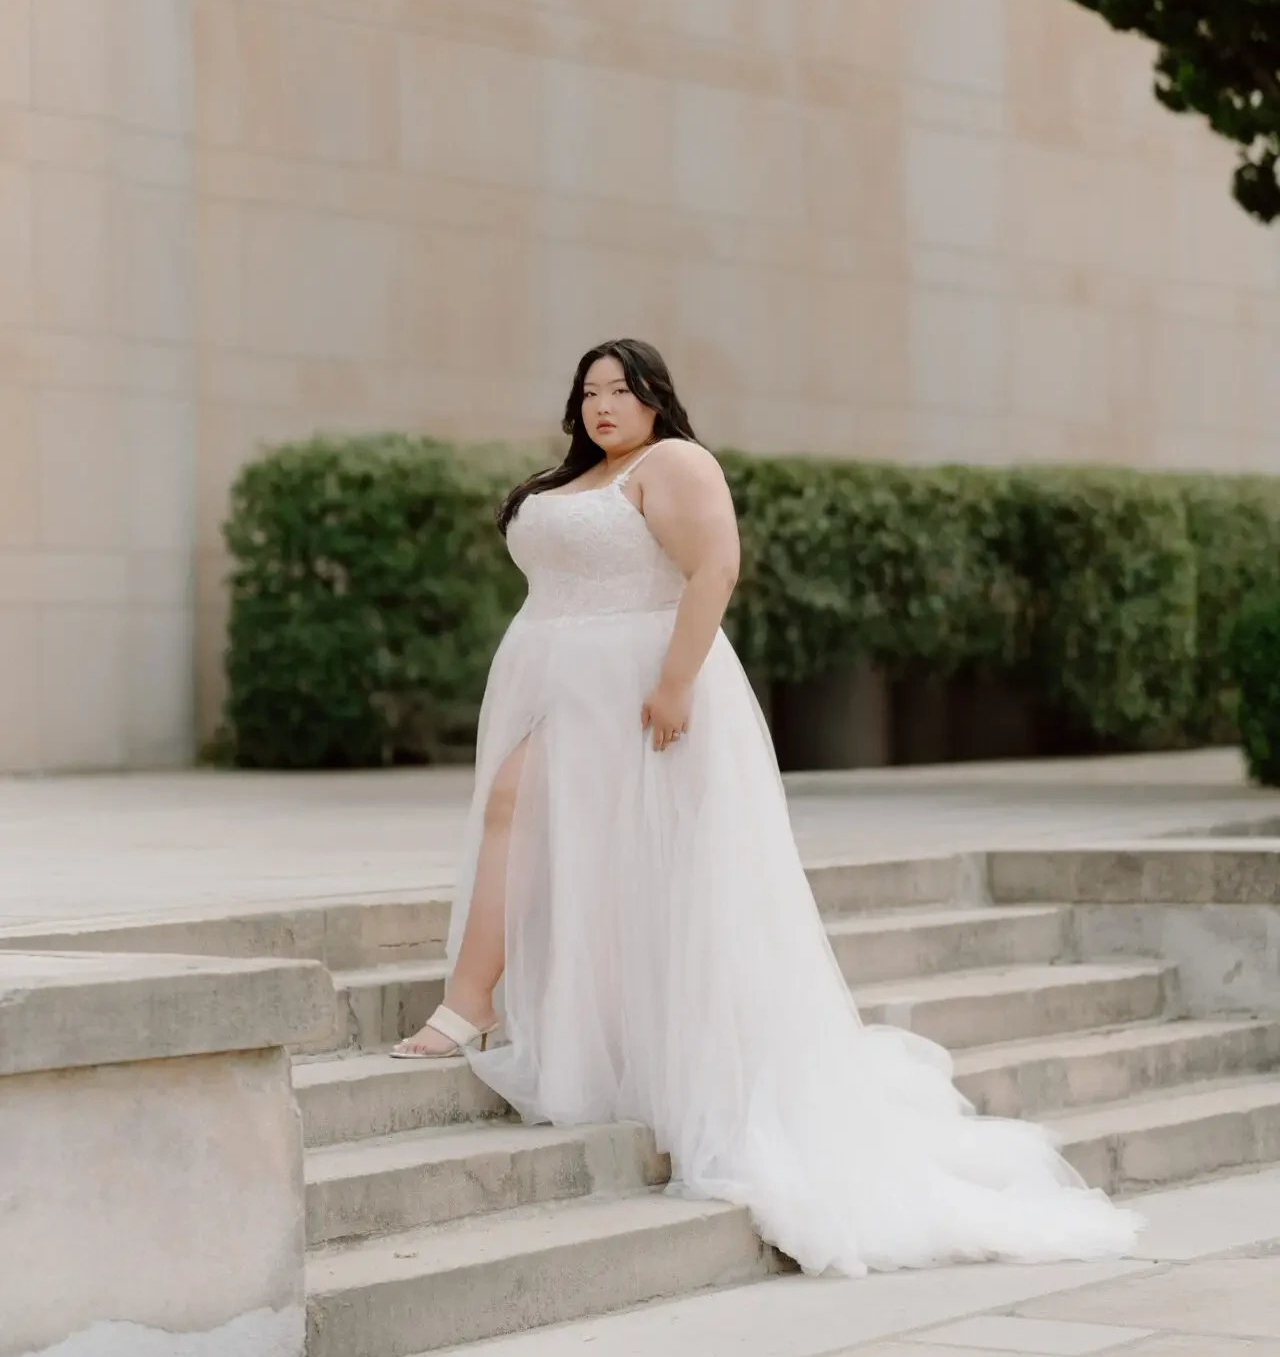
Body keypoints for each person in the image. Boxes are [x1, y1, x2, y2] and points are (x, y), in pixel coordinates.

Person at [391, 339, 1140, 1274]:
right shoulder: (573, 480)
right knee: (535, 825)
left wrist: (673, 685)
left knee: (588, 839)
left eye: (621, 389)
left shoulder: (677, 463)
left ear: (658, 397)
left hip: (638, 689)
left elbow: (714, 570)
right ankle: (483, 1006)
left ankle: (472, 1006)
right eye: (589, 392)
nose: (603, 405)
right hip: (556, 683)